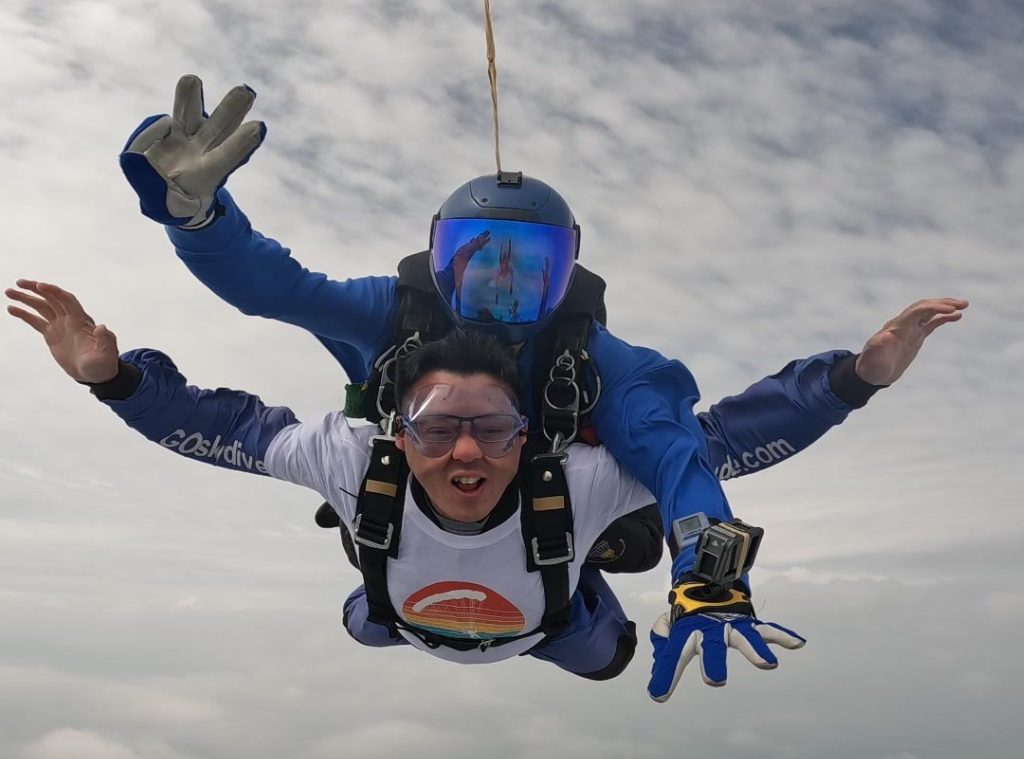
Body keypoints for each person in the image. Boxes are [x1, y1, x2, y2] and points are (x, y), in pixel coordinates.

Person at [117, 76, 968, 696]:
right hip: (414, 535)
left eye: (532, 269)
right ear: (439, 258)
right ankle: (413, 581)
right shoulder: (394, 318)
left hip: (555, 544)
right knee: (377, 614)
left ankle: (567, 572)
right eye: (476, 260)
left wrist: (710, 568)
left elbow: (685, 459)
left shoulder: (601, 365)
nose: (500, 290)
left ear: (568, 276)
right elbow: (276, 287)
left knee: (604, 654)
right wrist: (199, 220)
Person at [6, 279, 807, 690]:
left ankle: (593, 557)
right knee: (365, 621)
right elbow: (224, 430)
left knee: (611, 659)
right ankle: (552, 565)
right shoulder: (355, 461)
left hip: (551, 621)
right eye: (434, 428)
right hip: (406, 614)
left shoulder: (575, 479)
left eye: (494, 428)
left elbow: (715, 444)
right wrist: (112, 380)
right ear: (395, 431)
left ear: (528, 436)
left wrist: (848, 380)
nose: (466, 451)